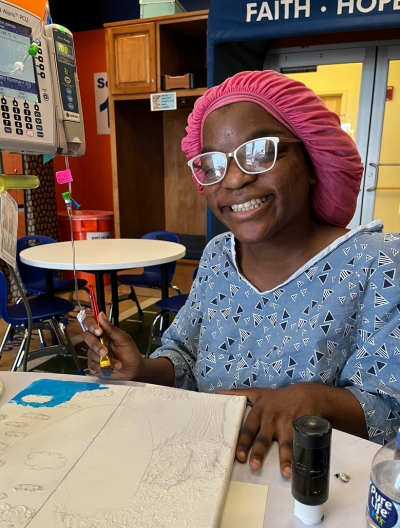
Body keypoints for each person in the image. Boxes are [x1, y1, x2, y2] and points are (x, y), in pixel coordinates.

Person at [83, 70, 400, 478]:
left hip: (312, 491)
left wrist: (311, 400)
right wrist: (143, 369)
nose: (234, 179)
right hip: (202, 471)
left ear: (313, 160)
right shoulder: (219, 256)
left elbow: (388, 408)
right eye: (212, 164)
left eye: (260, 152)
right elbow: (184, 353)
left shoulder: (377, 263)